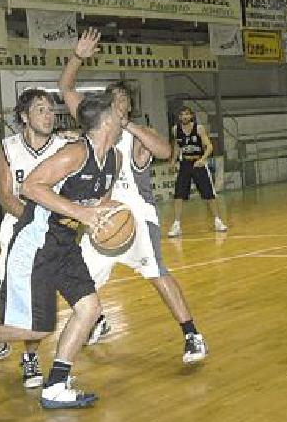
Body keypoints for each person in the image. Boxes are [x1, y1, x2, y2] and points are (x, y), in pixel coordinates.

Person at [0, 91, 121, 409]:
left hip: (66, 243)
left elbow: (99, 199)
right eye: (119, 112)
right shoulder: (72, 153)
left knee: (90, 309)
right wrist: (79, 212)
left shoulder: (113, 157)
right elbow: (28, 187)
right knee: (39, 327)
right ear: (108, 120)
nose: (124, 116)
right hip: (37, 241)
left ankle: (56, 385)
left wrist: (108, 217)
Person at [60, 27, 209, 364]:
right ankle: (96, 320)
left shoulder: (135, 136)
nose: (120, 104)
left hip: (135, 216)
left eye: (125, 101)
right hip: (100, 219)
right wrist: (78, 57)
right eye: (115, 100)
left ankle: (192, 335)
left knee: (157, 274)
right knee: (75, 278)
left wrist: (126, 125)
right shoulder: (93, 127)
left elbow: (166, 151)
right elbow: (66, 88)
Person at [0, 88, 72, 387]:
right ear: (24, 116)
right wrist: (31, 220)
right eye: (41, 109)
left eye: (51, 108)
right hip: (17, 229)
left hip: (53, 234)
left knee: (38, 300)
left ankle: (30, 358)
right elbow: (4, 195)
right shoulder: (8, 148)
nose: (49, 114)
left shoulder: (66, 146)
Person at [167, 106, 228, 237]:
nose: (184, 117)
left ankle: (218, 220)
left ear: (191, 116)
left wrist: (203, 159)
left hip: (198, 163)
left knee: (209, 194)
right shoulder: (175, 129)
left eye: (187, 114)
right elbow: (177, 146)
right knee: (179, 195)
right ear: (179, 117)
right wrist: (173, 160)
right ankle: (176, 224)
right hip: (185, 164)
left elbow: (210, 146)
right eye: (182, 114)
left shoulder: (199, 129)